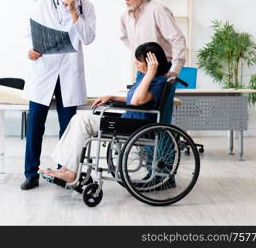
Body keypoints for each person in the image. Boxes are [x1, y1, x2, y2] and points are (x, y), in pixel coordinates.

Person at [39, 42, 169, 184]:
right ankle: (65, 169)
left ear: (152, 63)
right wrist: (112, 97)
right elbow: (133, 98)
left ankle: (70, 172)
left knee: (83, 121)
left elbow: (137, 101)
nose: (135, 62)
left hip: (135, 126)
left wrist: (150, 73)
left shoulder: (157, 81)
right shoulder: (145, 78)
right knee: (77, 118)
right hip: (128, 121)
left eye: (139, 60)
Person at [21, 0, 96, 190]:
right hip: (44, 71)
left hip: (69, 73)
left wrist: (75, 14)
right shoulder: (42, 5)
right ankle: (31, 173)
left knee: (69, 127)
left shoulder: (87, 7)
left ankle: (64, 173)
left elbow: (89, 38)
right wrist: (31, 49)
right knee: (35, 125)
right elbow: (28, 33)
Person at [121, 0, 186, 80]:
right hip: (142, 70)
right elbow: (124, 38)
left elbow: (178, 39)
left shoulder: (158, 11)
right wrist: (139, 58)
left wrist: (175, 69)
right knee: (134, 97)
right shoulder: (125, 15)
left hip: (162, 71)